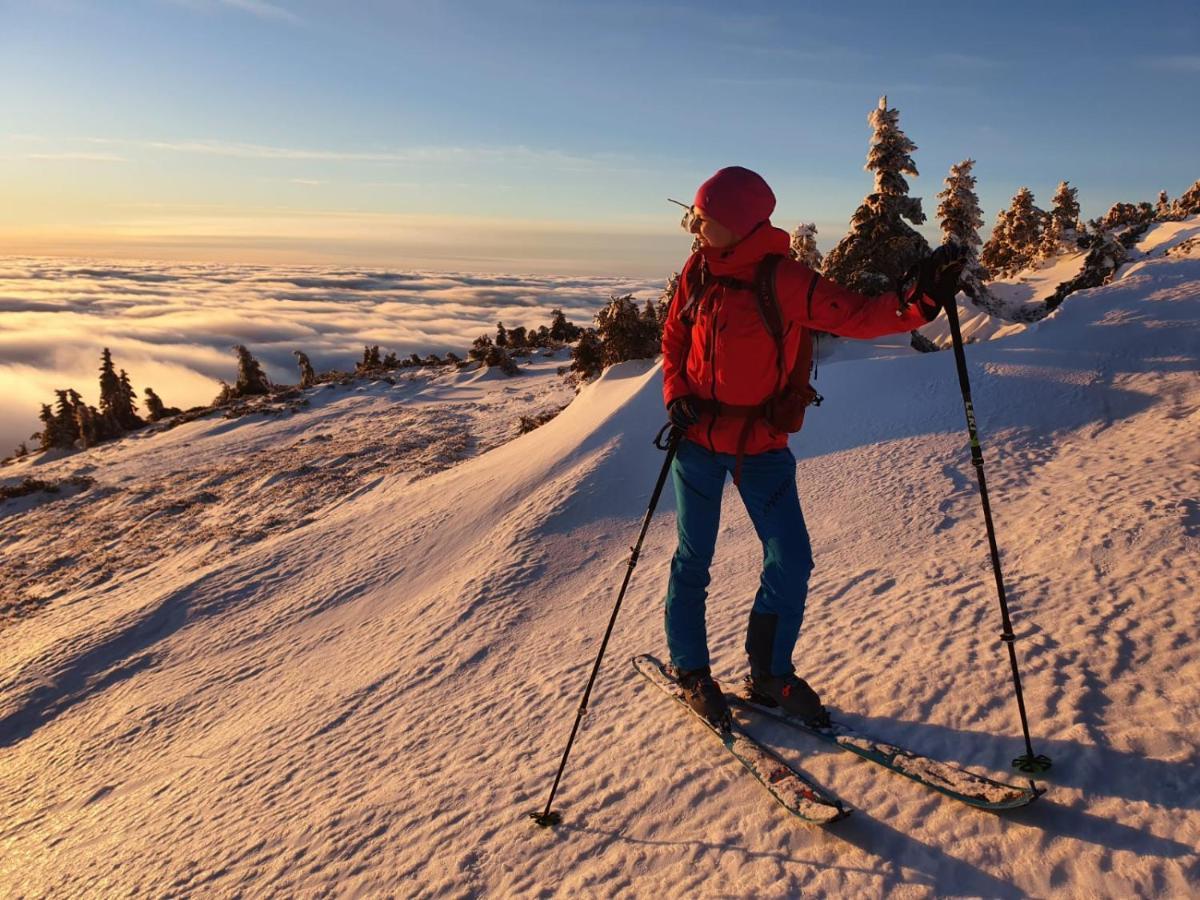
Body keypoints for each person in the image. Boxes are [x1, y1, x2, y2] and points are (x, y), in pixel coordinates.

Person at [661, 166, 963, 728]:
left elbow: (857, 314)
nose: (695, 228)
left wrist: (919, 304)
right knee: (693, 558)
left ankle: (769, 674)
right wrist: (676, 391)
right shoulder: (698, 268)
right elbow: (674, 335)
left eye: (703, 219)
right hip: (698, 441)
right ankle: (691, 670)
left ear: (737, 222)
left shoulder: (785, 280)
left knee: (791, 559)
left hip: (762, 444)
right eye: (695, 219)